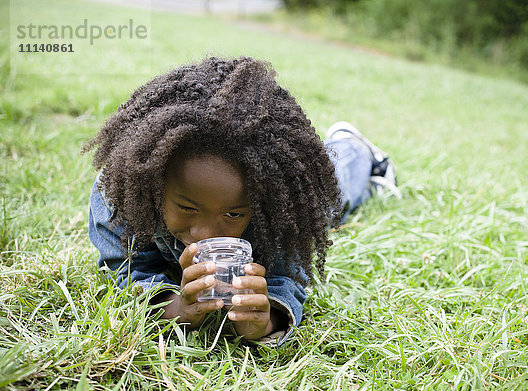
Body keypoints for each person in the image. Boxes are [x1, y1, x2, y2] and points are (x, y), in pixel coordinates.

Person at [83, 56, 399, 345]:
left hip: (293, 197)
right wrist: (175, 308)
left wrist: (266, 320)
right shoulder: (120, 195)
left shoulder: (281, 209)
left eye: (234, 213)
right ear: (154, 183)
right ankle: (368, 174)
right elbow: (125, 272)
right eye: (187, 208)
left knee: (332, 198)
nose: (208, 233)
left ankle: (352, 147)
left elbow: (287, 279)